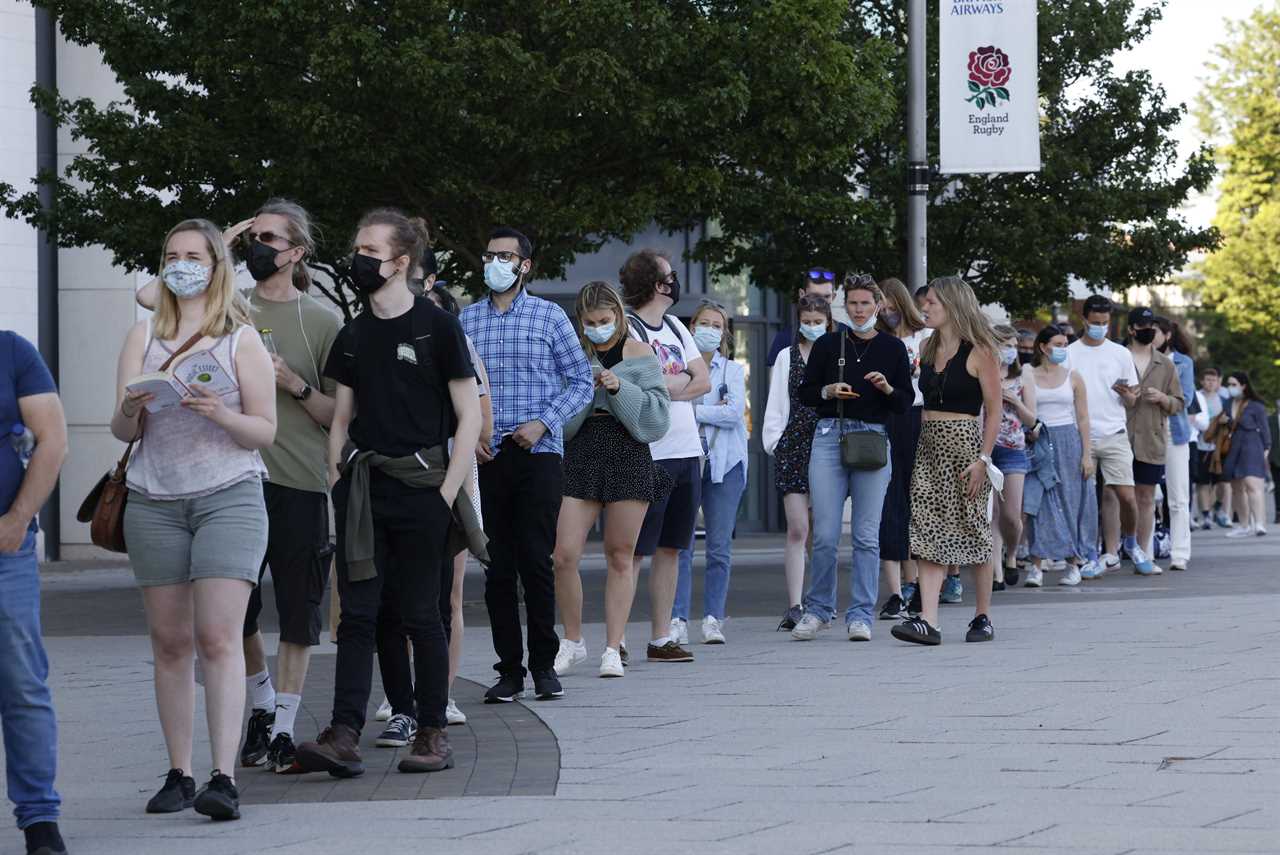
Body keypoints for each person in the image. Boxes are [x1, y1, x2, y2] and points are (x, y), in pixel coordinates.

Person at [136, 200, 341, 775]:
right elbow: (150, 299)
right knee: (236, 616)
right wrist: (215, 249)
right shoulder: (228, 310)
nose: (259, 247)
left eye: (270, 239)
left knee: (299, 609)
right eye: (253, 238)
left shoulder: (321, 321)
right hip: (227, 483)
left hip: (296, 477)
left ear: (296, 252)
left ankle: (283, 725)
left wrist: (295, 384)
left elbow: (339, 414)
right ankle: (257, 703)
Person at [295, 209, 481, 778]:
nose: (360, 259)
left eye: (371, 250)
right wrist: (336, 475)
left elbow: (469, 414)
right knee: (358, 615)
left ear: (401, 262)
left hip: (423, 488)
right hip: (362, 490)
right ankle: (344, 732)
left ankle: (431, 733)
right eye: (358, 248)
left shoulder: (439, 327)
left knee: (421, 614)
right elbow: (342, 415)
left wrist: (446, 492)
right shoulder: (354, 333)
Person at [115, 219, 277, 820]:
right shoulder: (141, 336)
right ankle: (179, 772)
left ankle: (223, 777)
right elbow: (120, 430)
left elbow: (264, 430)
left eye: (194, 255)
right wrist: (132, 408)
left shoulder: (240, 339)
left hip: (228, 494)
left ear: (216, 266)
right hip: (153, 497)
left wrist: (219, 413)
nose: (182, 264)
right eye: (172, 255)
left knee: (217, 636)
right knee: (169, 641)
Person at [461, 227, 593, 702]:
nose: (496, 262)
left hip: (537, 453)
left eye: (505, 256)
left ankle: (543, 666)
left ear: (525, 265)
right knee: (496, 567)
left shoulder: (549, 316)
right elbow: (457, 386)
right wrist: (468, 435)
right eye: (490, 254)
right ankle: (509, 670)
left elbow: (581, 381)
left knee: (537, 561)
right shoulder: (467, 320)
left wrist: (543, 422)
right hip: (487, 454)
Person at [371, 272, 492, 742]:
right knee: (398, 594)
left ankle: (441, 693)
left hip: (452, 480)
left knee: (449, 594)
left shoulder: (458, 349)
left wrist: (447, 483)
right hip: (398, 481)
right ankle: (400, 696)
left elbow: (482, 425)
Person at [553, 282, 671, 678]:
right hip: (583, 450)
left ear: (619, 317)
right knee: (564, 553)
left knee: (621, 554)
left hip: (627, 449)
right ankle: (572, 640)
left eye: (605, 321)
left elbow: (656, 418)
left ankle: (612, 646)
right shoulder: (573, 355)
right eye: (590, 322)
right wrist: (586, 388)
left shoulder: (639, 353)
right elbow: (563, 419)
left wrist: (620, 387)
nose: (598, 329)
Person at [791, 274, 912, 642]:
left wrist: (886, 387)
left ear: (879, 305)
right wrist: (828, 389)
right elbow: (806, 393)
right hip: (830, 436)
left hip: (872, 438)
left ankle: (861, 613)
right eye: (853, 304)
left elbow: (904, 402)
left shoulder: (892, 348)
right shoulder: (829, 343)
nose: (859, 310)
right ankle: (818, 609)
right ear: (844, 306)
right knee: (825, 533)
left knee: (865, 535)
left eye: (865, 303)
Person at [892, 276, 1002, 646]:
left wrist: (984, 459)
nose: (924, 308)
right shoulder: (926, 345)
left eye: (932, 303)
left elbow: (995, 410)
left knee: (973, 528)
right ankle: (929, 619)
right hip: (928, 445)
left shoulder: (980, 350)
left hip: (966, 446)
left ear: (953, 305)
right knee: (925, 527)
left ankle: (982, 615)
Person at [620, 249, 711, 662]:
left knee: (673, 547)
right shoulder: (630, 329)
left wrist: (670, 383)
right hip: (648, 452)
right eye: (669, 276)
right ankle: (616, 638)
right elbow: (642, 383)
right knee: (635, 550)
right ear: (657, 284)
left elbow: (703, 381)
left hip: (686, 450)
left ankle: (660, 637)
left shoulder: (675, 325)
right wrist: (677, 382)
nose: (675, 281)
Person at [1, 330, 69, 855]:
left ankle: (39, 818)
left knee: (23, 682)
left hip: (5, 548)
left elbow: (53, 438)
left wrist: (18, 520)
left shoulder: (11, 350)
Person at [673, 301, 748, 645]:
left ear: (724, 332)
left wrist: (694, 407)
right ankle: (677, 618)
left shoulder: (731, 370)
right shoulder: (678, 366)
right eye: (704, 323)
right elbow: (672, 403)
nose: (709, 329)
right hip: (686, 458)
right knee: (681, 545)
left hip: (725, 463)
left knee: (719, 547)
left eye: (716, 325)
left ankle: (713, 618)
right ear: (692, 327)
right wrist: (708, 408)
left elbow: (733, 413)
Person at [762, 294, 830, 630]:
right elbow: (776, 402)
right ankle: (795, 604)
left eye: (819, 321)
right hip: (793, 447)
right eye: (808, 320)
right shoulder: (788, 357)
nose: (813, 326)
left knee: (822, 530)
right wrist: (776, 442)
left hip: (828, 445)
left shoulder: (835, 357)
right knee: (798, 527)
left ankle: (821, 602)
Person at [1066, 295, 1142, 572]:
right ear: (1084, 320)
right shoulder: (1071, 352)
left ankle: (1128, 543)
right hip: (1079, 434)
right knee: (1084, 501)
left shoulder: (1121, 354)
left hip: (1114, 432)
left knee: (1126, 497)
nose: (1100, 327)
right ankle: (1086, 554)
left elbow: (1133, 400)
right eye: (1095, 322)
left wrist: (1128, 396)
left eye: (1105, 322)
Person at [1023, 326, 1100, 584]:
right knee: (1038, 500)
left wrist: (1087, 454)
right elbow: (1030, 411)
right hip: (1041, 439)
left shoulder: (1074, 377)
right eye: (1058, 344)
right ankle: (1036, 563)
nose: (1063, 349)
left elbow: (1083, 417)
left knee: (1071, 500)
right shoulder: (1029, 374)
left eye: (1066, 344)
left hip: (1069, 440)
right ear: (1044, 347)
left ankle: (1073, 562)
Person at [873, 277, 929, 619]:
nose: (887, 314)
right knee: (888, 502)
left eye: (892, 307)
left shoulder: (925, 337)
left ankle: (920, 583)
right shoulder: (877, 341)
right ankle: (895, 591)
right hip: (886, 419)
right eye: (884, 309)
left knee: (919, 500)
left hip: (919, 418)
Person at [1123, 308, 1183, 574]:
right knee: (1116, 497)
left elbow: (1179, 402)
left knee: (1146, 497)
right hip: (1119, 436)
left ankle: (1143, 551)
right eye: (1142, 325)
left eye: (1151, 325)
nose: (1147, 329)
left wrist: (1163, 398)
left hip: (1152, 438)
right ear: (1131, 329)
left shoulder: (1166, 364)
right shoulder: (1118, 357)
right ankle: (1113, 549)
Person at [990, 325, 1038, 586]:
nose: (1007, 350)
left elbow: (1032, 420)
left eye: (1011, 345)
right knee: (993, 513)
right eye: (1002, 344)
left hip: (1013, 450)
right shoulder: (983, 373)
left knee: (1011, 514)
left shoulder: (1023, 377)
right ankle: (997, 573)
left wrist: (1015, 401)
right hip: (987, 448)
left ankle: (1012, 553)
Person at [1156, 317, 1196, 571]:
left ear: (1167, 335)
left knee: (1178, 497)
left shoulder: (1183, 362)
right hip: (1146, 433)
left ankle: (1180, 552)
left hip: (1175, 433)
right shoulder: (1138, 359)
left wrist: (1163, 398)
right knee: (1146, 496)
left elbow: (1188, 398)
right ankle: (1144, 548)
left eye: (1155, 332)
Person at [1221, 372, 1272, 537]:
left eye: (1234, 384)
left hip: (1252, 445)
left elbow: (1265, 429)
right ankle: (1244, 524)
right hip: (1233, 446)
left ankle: (1259, 524)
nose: (1230, 387)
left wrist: (1266, 449)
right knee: (1236, 486)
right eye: (1229, 384)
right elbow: (1229, 426)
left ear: (1243, 385)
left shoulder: (1256, 405)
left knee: (1252, 484)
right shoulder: (1228, 403)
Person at [766, 268, 837, 366]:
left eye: (826, 296)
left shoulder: (846, 335)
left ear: (833, 297)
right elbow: (776, 379)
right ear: (802, 294)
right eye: (815, 296)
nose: (821, 302)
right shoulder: (785, 338)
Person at [1194, 368, 1233, 529]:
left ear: (1218, 382)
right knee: (1203, 483)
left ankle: (1218, 508)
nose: (1211, 383)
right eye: (1207, 380)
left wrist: (1225, 421)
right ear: (1202, 381)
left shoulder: (1224, 400)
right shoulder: (1196, 397)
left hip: (1220, 448)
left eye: (1214, 380)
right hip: (1201, 446)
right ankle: (1205, 515)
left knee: (1222, 483)